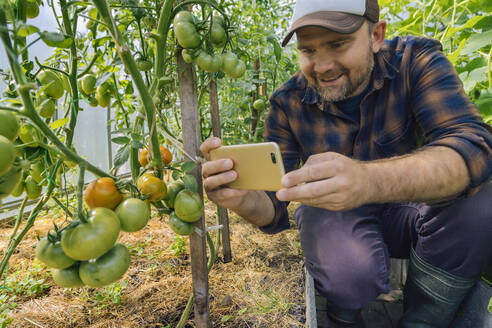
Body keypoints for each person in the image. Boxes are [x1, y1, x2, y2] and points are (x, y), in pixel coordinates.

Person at [200, 0, 492, 327]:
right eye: (308, 50)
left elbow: (473, 147)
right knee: (346, 269)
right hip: (336, 213)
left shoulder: (415, 61)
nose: (322, 66)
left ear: (376, 36)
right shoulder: (288, 101)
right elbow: (273, 207)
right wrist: (244, 200)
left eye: (338, 44)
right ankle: (344, 316)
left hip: (411, 210)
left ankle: (423, 318)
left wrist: (369, 180)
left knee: (480, 205)